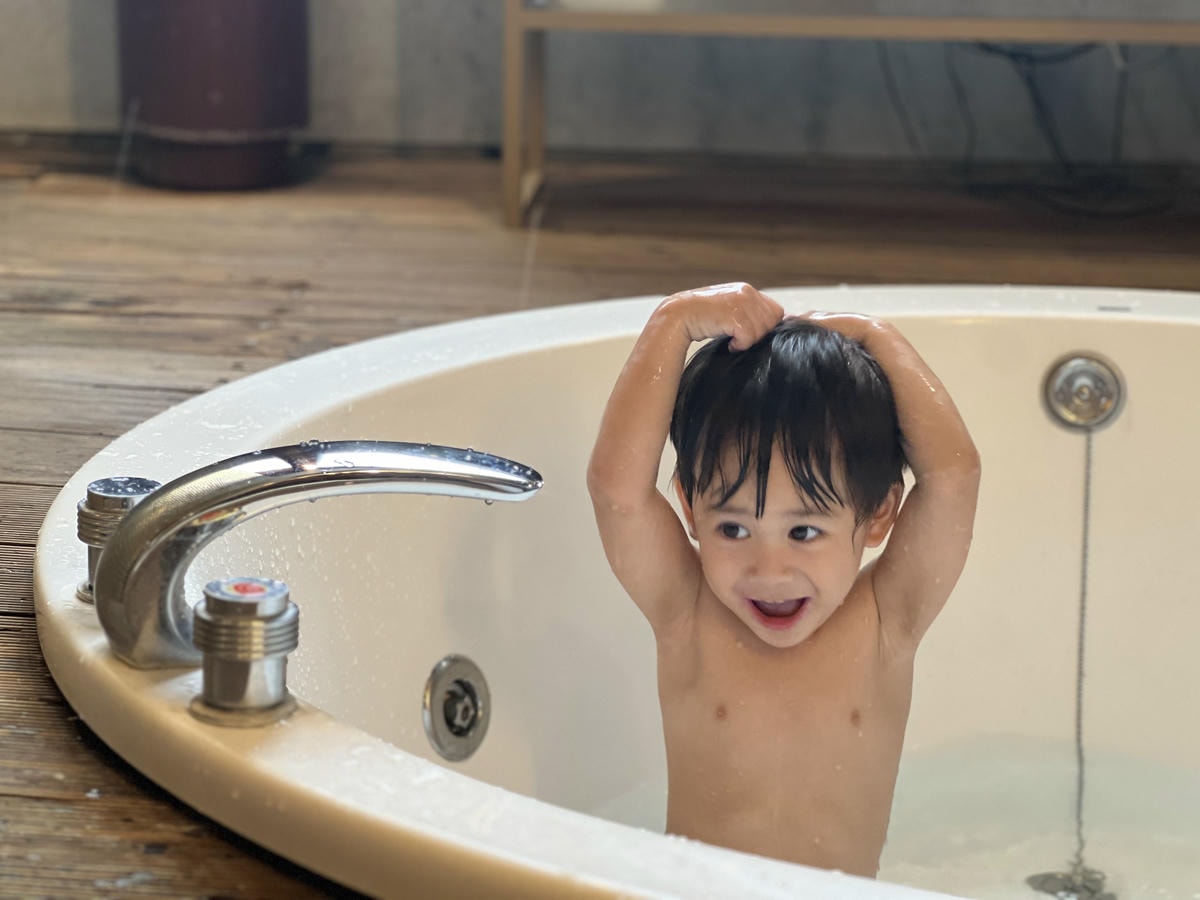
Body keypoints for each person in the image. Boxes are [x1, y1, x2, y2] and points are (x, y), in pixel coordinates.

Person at [587, 282, 979, 877]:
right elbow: (618, 493)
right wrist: (673, 321)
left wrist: (875, 337)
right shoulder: (686, 611)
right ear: (690, 509)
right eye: (733, 529)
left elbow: (953, 478)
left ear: (878, 515)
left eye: (803, 532)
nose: (768, 571)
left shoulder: (887, 620)